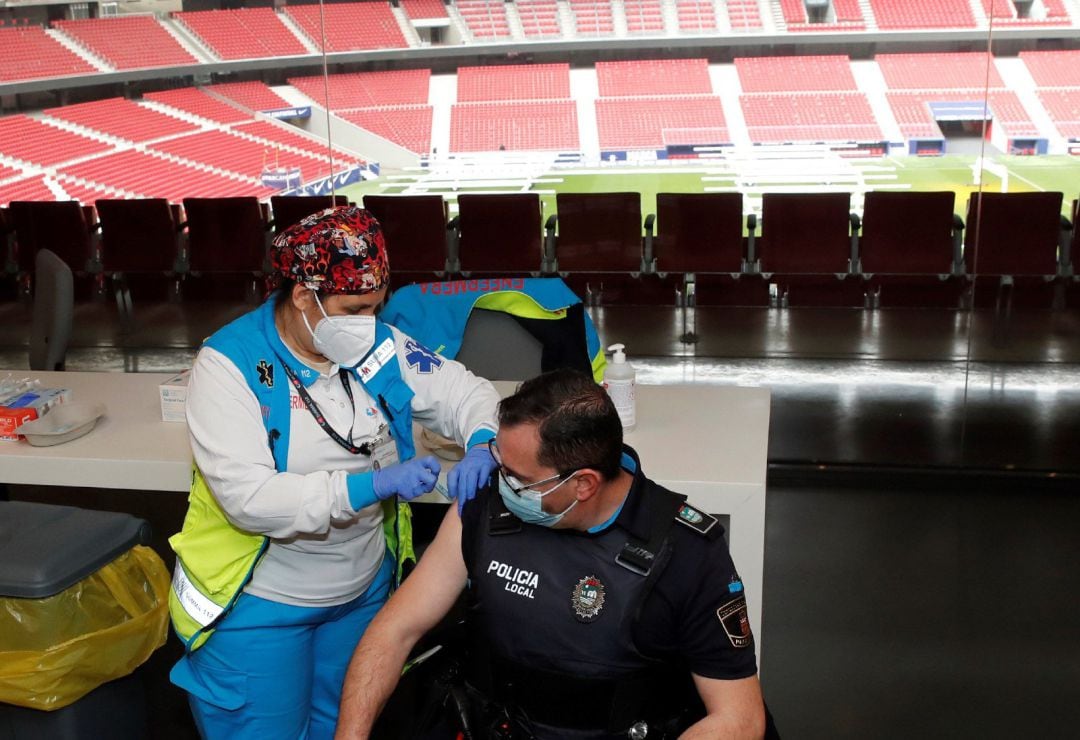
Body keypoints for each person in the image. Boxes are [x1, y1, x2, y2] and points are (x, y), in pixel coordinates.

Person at [167, 206, 500, 740]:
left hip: (357, 597)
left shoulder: (375, 345)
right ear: (303, 297)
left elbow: (464, 391)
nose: (367, 323)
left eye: (376, 308)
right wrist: (373, 485)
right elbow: (249, 499)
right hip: (260, 607)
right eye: (354, 308)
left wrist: (484, 438)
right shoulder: (229, 365)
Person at [335, 368, 767, 739]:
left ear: (583, 484)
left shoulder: (687, 553)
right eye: (497, 461)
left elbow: (740, 719)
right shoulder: (485, 507)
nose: (501, 484)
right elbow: (395, 631)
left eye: (518, 477)